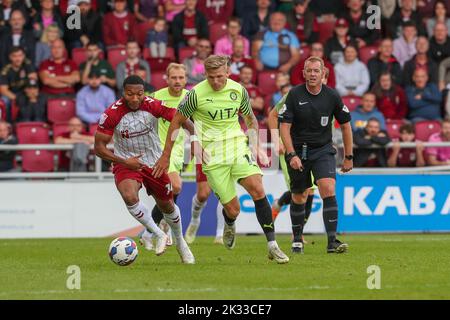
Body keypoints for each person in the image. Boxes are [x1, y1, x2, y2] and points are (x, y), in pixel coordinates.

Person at [153, 55, 290, 263]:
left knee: (258, 189)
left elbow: (250, 119)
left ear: (228, 73)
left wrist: (257, 145)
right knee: (233, 209)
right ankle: (229, 222)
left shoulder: (238, 90)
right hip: (212, 156)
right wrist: (168, 154)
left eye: (219, 76)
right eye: (211, 77)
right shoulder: (195, 95)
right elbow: (176, 122)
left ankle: (272, 245)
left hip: (237, 147)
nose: (215, 81)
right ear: (205, 75)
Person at [94, 75, 196, 264]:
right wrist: (123, 162)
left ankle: (181, 243)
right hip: (126, 163)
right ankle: (158, 234)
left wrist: (195, 139)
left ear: (143, 93)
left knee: (167, 206)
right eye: (130, 94)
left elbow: (180, 118)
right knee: (130, 196)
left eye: (139, 94)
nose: (134, 98)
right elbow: (99, 148)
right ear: (123, 93)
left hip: (154, 162)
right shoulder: (111, 114)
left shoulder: (152, 105)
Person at [279, 56, 354, 254]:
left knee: (328, 188)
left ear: (323, 74)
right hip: (298, 151)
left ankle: (332, 242)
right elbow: (284, 127)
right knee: (300, 195)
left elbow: (346, 126)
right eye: (309, 71)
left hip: (323, 150)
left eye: (316, 71)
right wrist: (291, 153)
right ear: (303, 73)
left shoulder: (332, 96)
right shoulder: (294, 95)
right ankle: (297, 240)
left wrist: (349, 156)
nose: (312, 74)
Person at [143, 63, 189, 249]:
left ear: (185, 79)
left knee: (166, 194)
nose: (177, 81)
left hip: (178, 149)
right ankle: (163, 228)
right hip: (159, 150)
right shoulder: (156, 97)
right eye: (174, 78)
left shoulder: (190, 97)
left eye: (181, 78)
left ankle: (149, 232)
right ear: (167, 78)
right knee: (175, 187)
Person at [0, 46, 37, 121]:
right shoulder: (5, 70)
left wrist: (28, 94)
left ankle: (35, 122)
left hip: (25, 92)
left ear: (23, 56)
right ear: (10, 57)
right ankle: (7, 123)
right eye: (15, 56)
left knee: (35, 97)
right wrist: (16, 98)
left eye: (20, 55)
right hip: (11, 93)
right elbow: (3, 90)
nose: (18, 59)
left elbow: (34, 81)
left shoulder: (27, 64)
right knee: (4, 100)